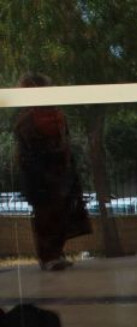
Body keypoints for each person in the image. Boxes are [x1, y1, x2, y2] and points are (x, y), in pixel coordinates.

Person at [12, 72, 91, 271]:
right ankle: (48, 256)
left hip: (59, 174)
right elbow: (29, 150)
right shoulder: (27, 120)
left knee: (60, 214)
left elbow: (65, 141)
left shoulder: (56, 116)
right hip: (41, 177)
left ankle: (56, 253)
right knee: (45, 215)